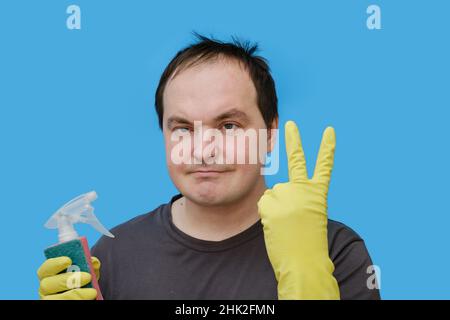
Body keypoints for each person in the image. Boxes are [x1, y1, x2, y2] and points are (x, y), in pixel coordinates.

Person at [37, 34, 380, 300]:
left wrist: (308, 275)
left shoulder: (334, 248)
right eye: (182, 128)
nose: (203, 150)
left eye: (229, 125)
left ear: (270, 134)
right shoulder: (112, 255)